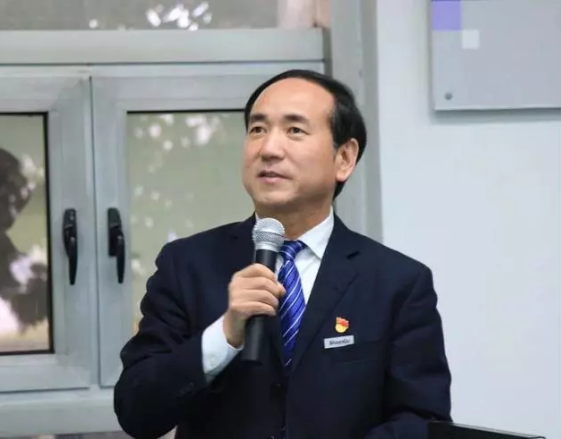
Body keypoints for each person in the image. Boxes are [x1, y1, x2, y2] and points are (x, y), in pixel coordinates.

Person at [113, 69, 452, 439]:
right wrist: (224, 335)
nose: (269, 149)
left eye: (294, 130)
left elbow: (420, 420)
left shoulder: (397, 282)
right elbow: (137, 411)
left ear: (344, 158)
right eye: (258, 129)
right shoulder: (187, 265)